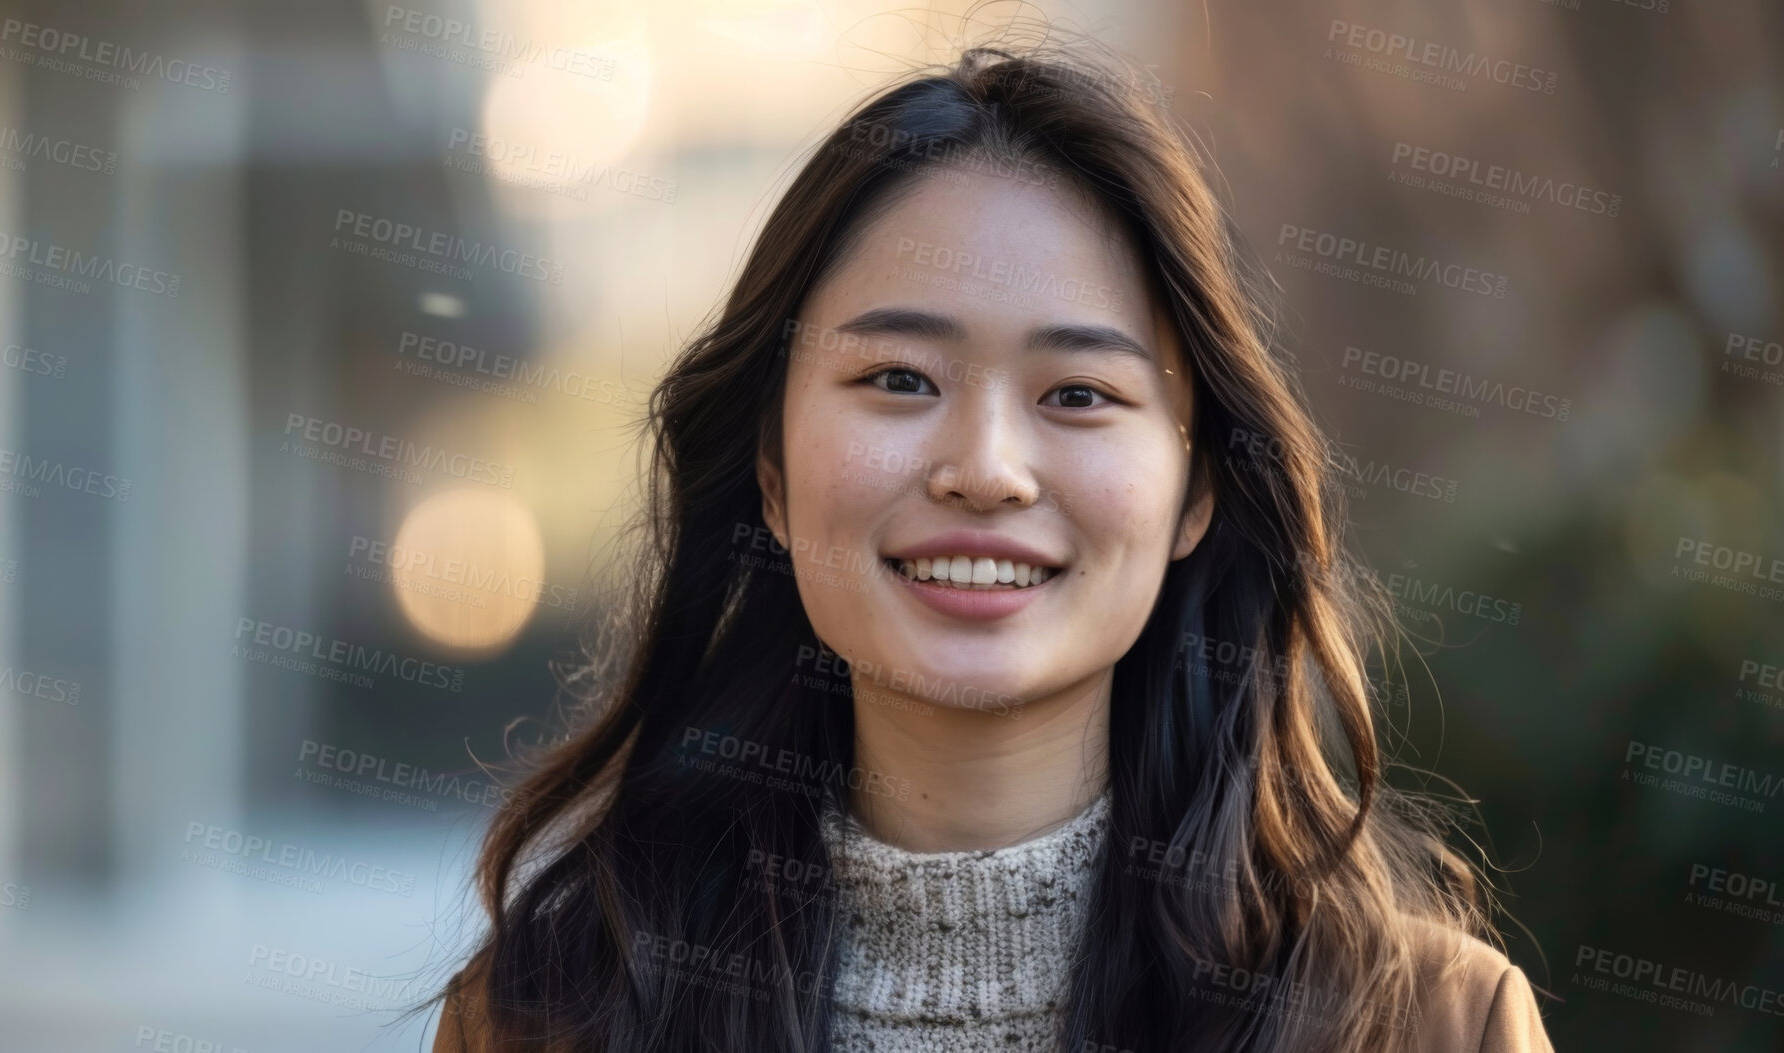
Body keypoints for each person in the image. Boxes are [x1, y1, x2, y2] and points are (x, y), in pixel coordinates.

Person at [427, 41, 1556, 1053]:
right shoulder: (546, 1020)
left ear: (1195, 489)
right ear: (771, 475)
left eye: (1077, 391)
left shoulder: (1427, 1026)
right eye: (898, 380)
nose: (985, 467)